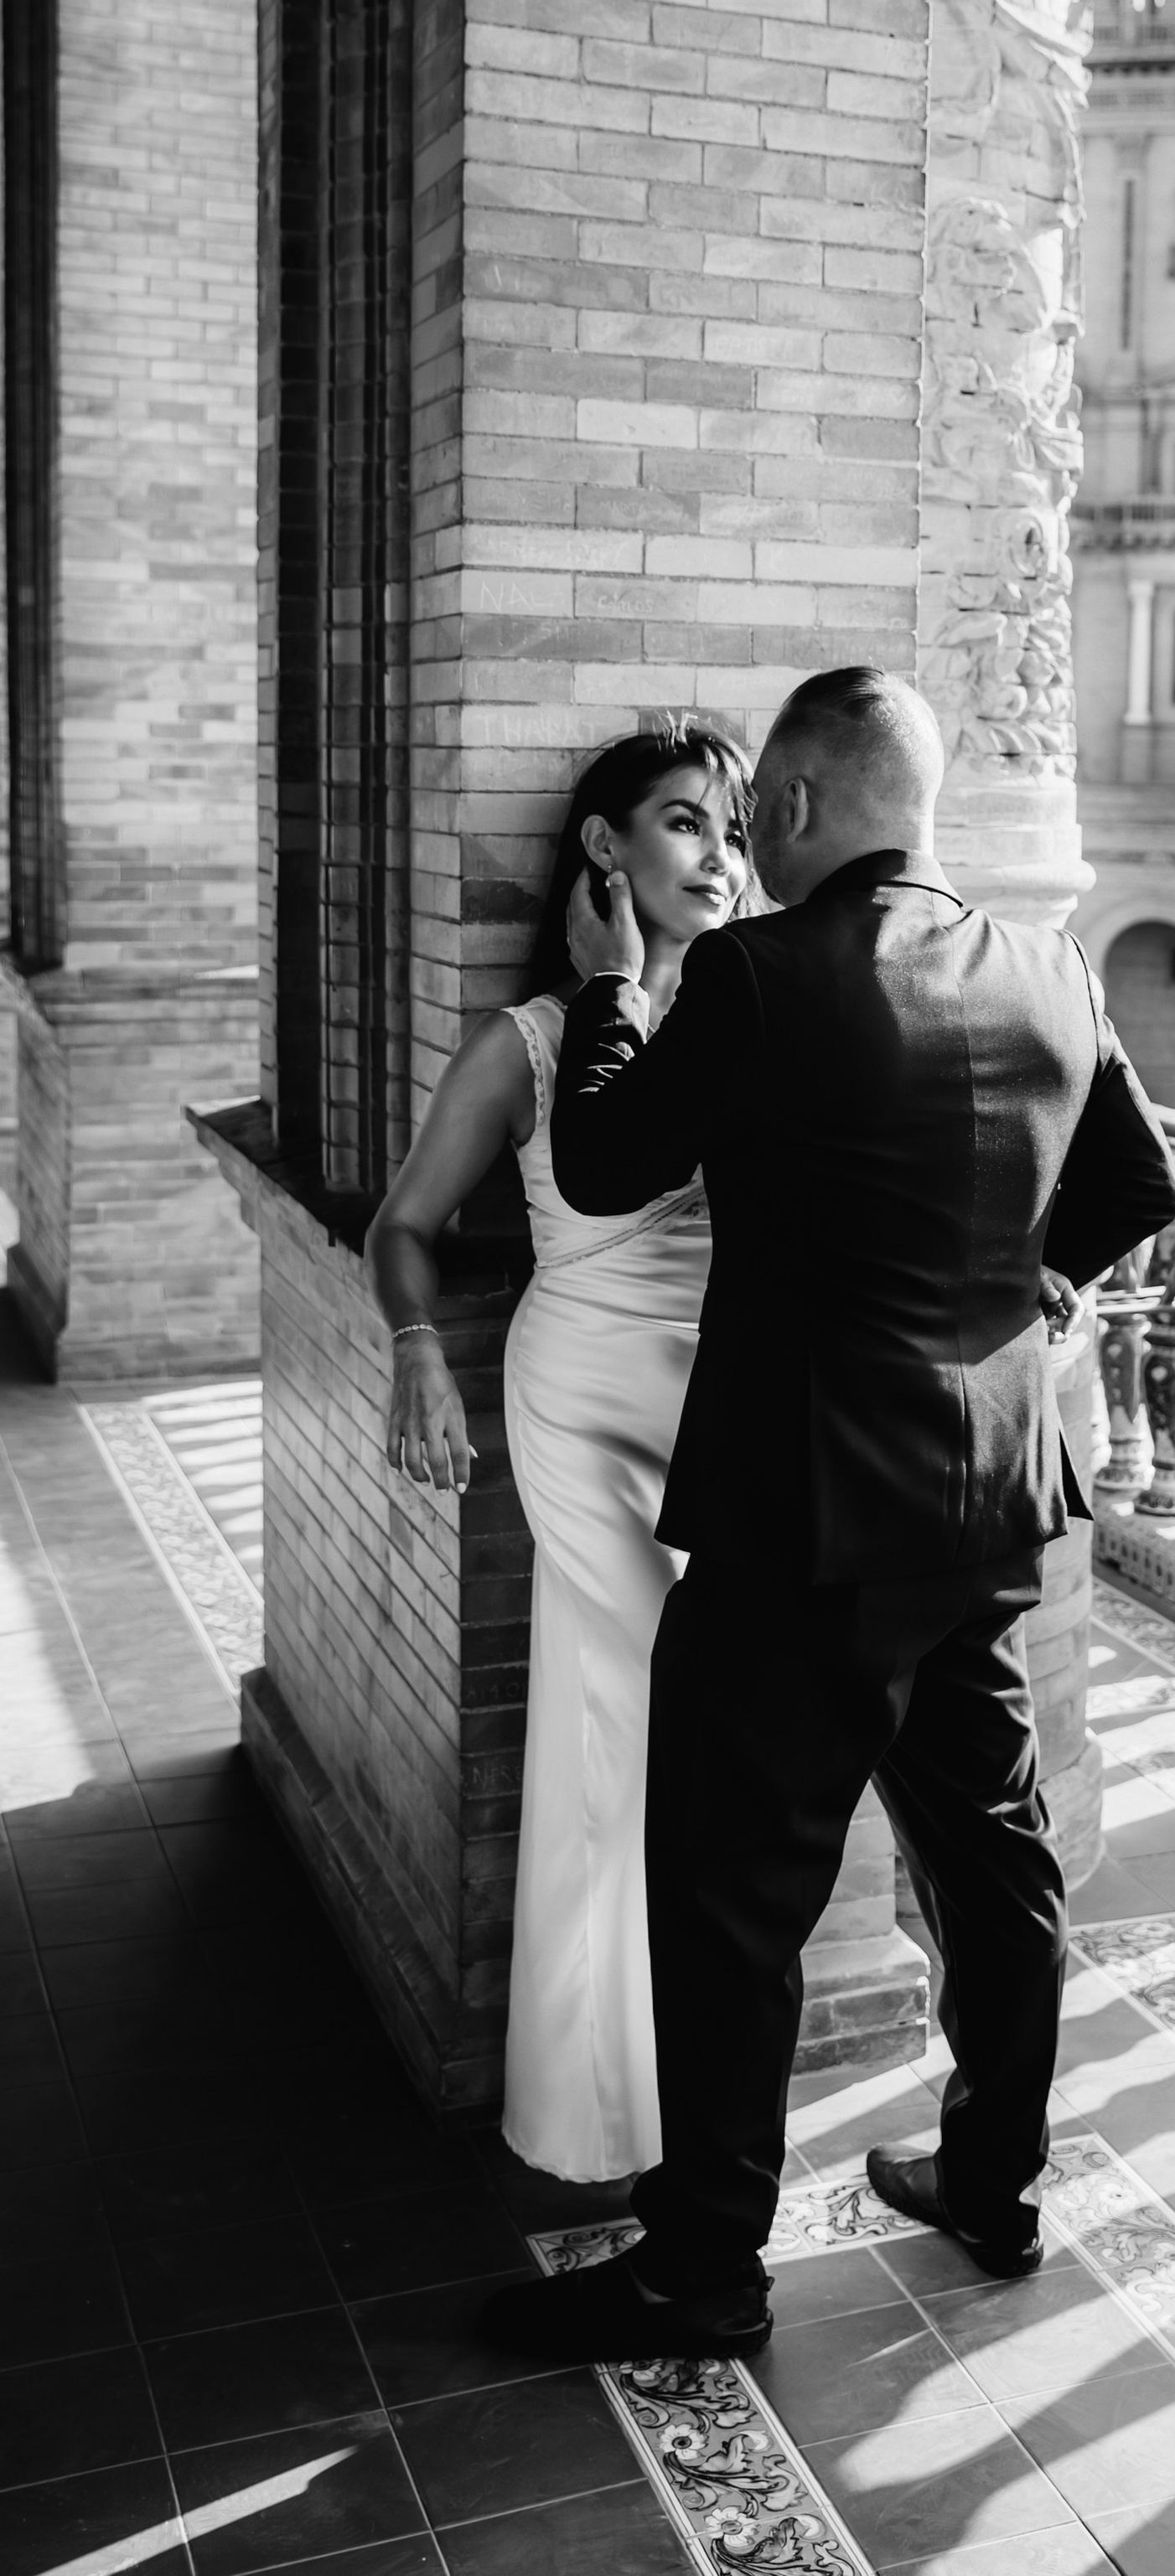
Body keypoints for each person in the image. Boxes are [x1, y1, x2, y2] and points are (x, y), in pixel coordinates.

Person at [479, 667, 1175, 2362]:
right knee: (991, 1855)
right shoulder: (1049, 970)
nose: (740, 841)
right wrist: (1037, 1297)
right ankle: (994, 2182)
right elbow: (1135, 1190)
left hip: (802, 1522)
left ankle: (704, 2267)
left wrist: (602, 996)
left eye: (749, 816)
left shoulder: (748, 975)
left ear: (790, 810)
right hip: (993, 1505)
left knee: (729, 1888)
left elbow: (601, 1163)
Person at [365, 717, 754, 2184]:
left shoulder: (750, 1014)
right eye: (683, 824)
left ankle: (681, 2085)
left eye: (732, 830)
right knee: (633, 1721)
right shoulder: (526, 1043)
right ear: (605, 847)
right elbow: (405, 1226)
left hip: (726, 1406)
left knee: (686, 1738)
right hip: (583, 1394)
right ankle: (602, 2104)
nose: (719, 858)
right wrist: (414, 1350)